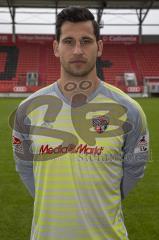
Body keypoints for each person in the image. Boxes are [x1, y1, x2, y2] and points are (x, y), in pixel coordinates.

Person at [12, 6, 149, 240]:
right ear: (56, 48)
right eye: (68, 41)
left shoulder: (129, 110)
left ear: (100, 47)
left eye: (86, 41)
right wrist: (51, 199)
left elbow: (135, 168)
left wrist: (104, 199)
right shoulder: (28, 109)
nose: (77, 50)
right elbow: (25, 167)